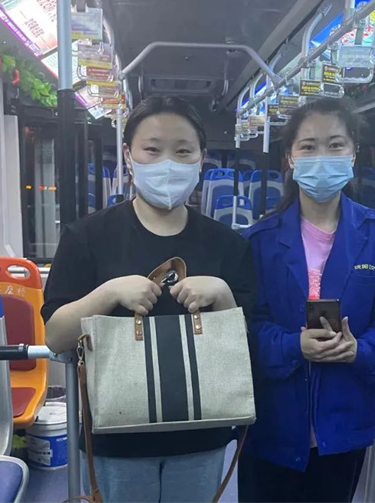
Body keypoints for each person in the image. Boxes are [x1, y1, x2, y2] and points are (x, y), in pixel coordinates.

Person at [42, 96, 255, 503]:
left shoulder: (228, 246)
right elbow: (55, 336)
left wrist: (223, 296)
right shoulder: (86, 238)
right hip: (116, 437)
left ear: (201, 158)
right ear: (128, 155)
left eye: (183, 151)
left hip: (202, 434)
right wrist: (107, 294)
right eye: (152, 150)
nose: (168, 164)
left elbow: (247, 343)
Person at [238, 98, 375, 503]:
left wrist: (361, 348)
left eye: (335, 145)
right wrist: (292, 345)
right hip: (271, 419)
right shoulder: (257, 242)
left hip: (346, 415)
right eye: (308, 146)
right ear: (290, 158)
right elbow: (244, 324)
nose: (322, 156)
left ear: (354, 153)